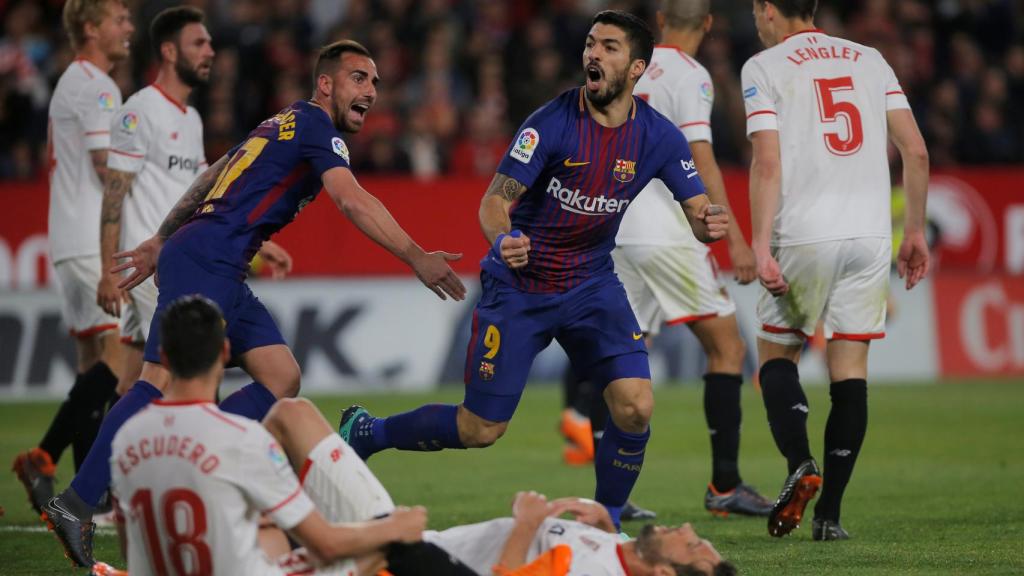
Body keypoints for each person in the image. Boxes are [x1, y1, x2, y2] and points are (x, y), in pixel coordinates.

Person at [43, 39, 467, 567]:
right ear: (326, 83)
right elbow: (351, 199)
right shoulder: (316, 126)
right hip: (209, 260)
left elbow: (211, 176)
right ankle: (78, 501)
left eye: (376, 82)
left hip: (216, 259)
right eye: (360, 78)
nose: (372, 91)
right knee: (157, 381)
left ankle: (196, 458)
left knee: (281, 376)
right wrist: (415, 255)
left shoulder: (282, 121)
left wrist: (162, 238)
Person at [339, 10, 728, 531]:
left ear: (637, 68)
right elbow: (493, 203)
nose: (593, 54)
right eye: (591, 44)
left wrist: (709, 220)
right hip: (520, 289)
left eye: (609, 47)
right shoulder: (550, 123)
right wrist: (506, 239)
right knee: (481, 428)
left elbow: (699, 211)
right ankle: (369, 432)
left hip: (592, 285)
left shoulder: (659, 137)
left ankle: (606, 523)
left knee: (635, 406)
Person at [561, 0, 773, 519]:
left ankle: (610, 496)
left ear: (657, 23)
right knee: (726, 348)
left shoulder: (617, 67)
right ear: (706, 24)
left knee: (610, 362)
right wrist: (737, 240)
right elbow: (700, 160)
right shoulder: (689, 74)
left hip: (611, 230)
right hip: (666, 234)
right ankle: (725, 483)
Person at [98, 295, 479, 576]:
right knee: (391, 543)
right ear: (225, 352)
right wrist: (394, 526)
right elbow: (327, 544)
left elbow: (136, 551)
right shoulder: (241, 438)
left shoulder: (128, 437)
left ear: (163, 357)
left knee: (290, 416)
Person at [742, 0, 929, 539]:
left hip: (804, 231)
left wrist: (759, 243)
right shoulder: (869, 59)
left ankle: (801, 464)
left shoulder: (766, 65)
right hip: (868, 237)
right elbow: (914, 150)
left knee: (777, 354)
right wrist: (913, 230)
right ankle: (831, 517)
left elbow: (767, 162)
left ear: (767, 9)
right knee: (850, 372)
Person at [11, 0, 134, 515]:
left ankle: (92, 495)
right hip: (90, 240)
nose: (128, 27)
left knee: (91, 364)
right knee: (121, 359)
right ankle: (44, 455)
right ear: (90, 28)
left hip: (68, 237)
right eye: (118, 19)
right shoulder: (98, 86)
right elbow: (108, 164)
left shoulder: (71, 81)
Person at [425, 491, 737, 576]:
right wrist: (605, 526)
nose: (687, 528)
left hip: (402, 560)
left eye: (693, 545)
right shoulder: (628, 557)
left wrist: (526, 525)